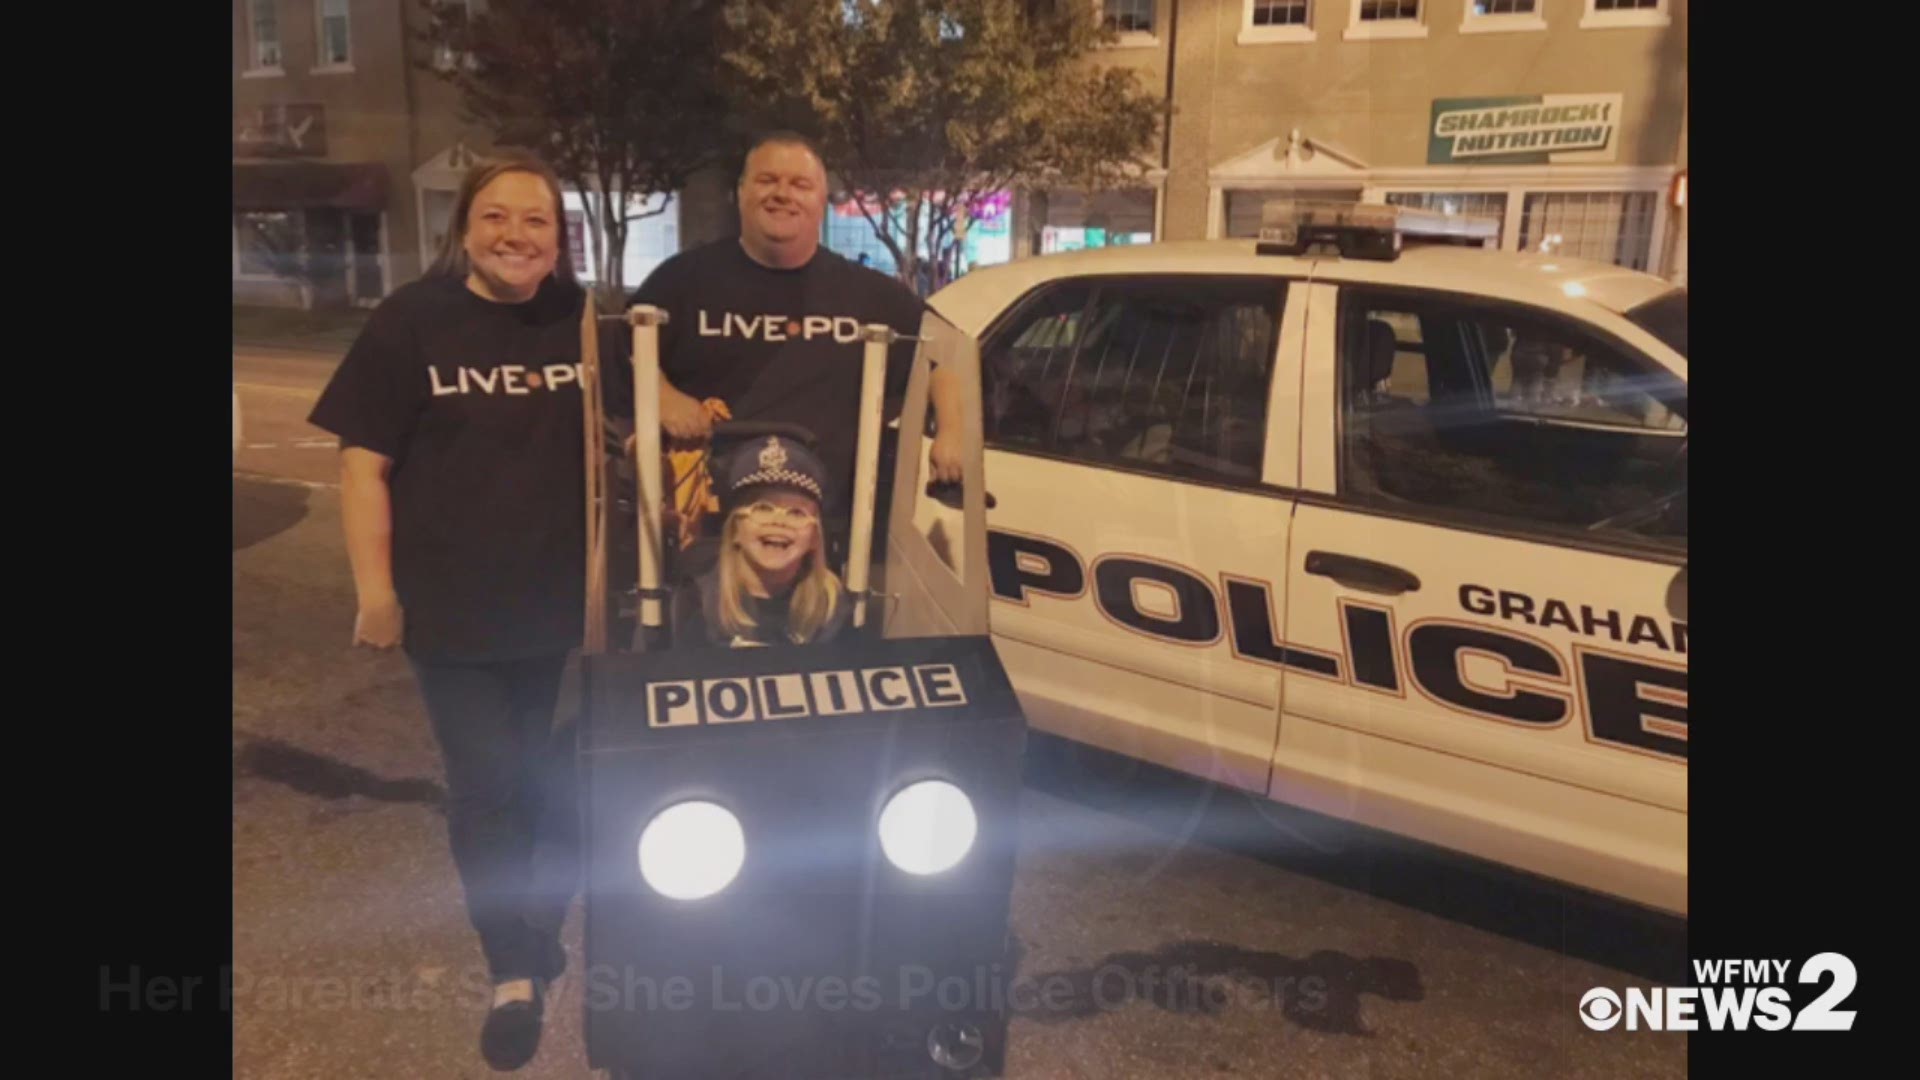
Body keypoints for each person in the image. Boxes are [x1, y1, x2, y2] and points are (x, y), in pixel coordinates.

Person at [307, 149, 600, 1072]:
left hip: (554, 609)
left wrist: (679, 401)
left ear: (560, 239)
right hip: (453, 614)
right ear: (464, 229)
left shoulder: (577, 317)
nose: (517, 236)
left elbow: (632, 391)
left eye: (537, 222)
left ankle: (529, 918)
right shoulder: (412, 321)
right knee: (487, 785)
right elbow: (363, 467)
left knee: (540, 781)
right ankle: (512, 967)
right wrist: (376, 593)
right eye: (497, 218)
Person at [621, 132, 966, 537]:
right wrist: (661, 394)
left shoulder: (868, 294)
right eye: (767, 180)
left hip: (822, 534)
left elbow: (942, 355)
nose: (782, 194)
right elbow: (619, 350)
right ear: (741, 192)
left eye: (800, 185)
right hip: (708, 530)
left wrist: (952, 432)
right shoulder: (682, 281)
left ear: (822, 202)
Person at [672, 434, 850, 648]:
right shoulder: (700, 600)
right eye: (763, 508)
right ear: (735, 530)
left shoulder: (830, 605)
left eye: (796, 513)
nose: (779, 521)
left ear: (814, 537)